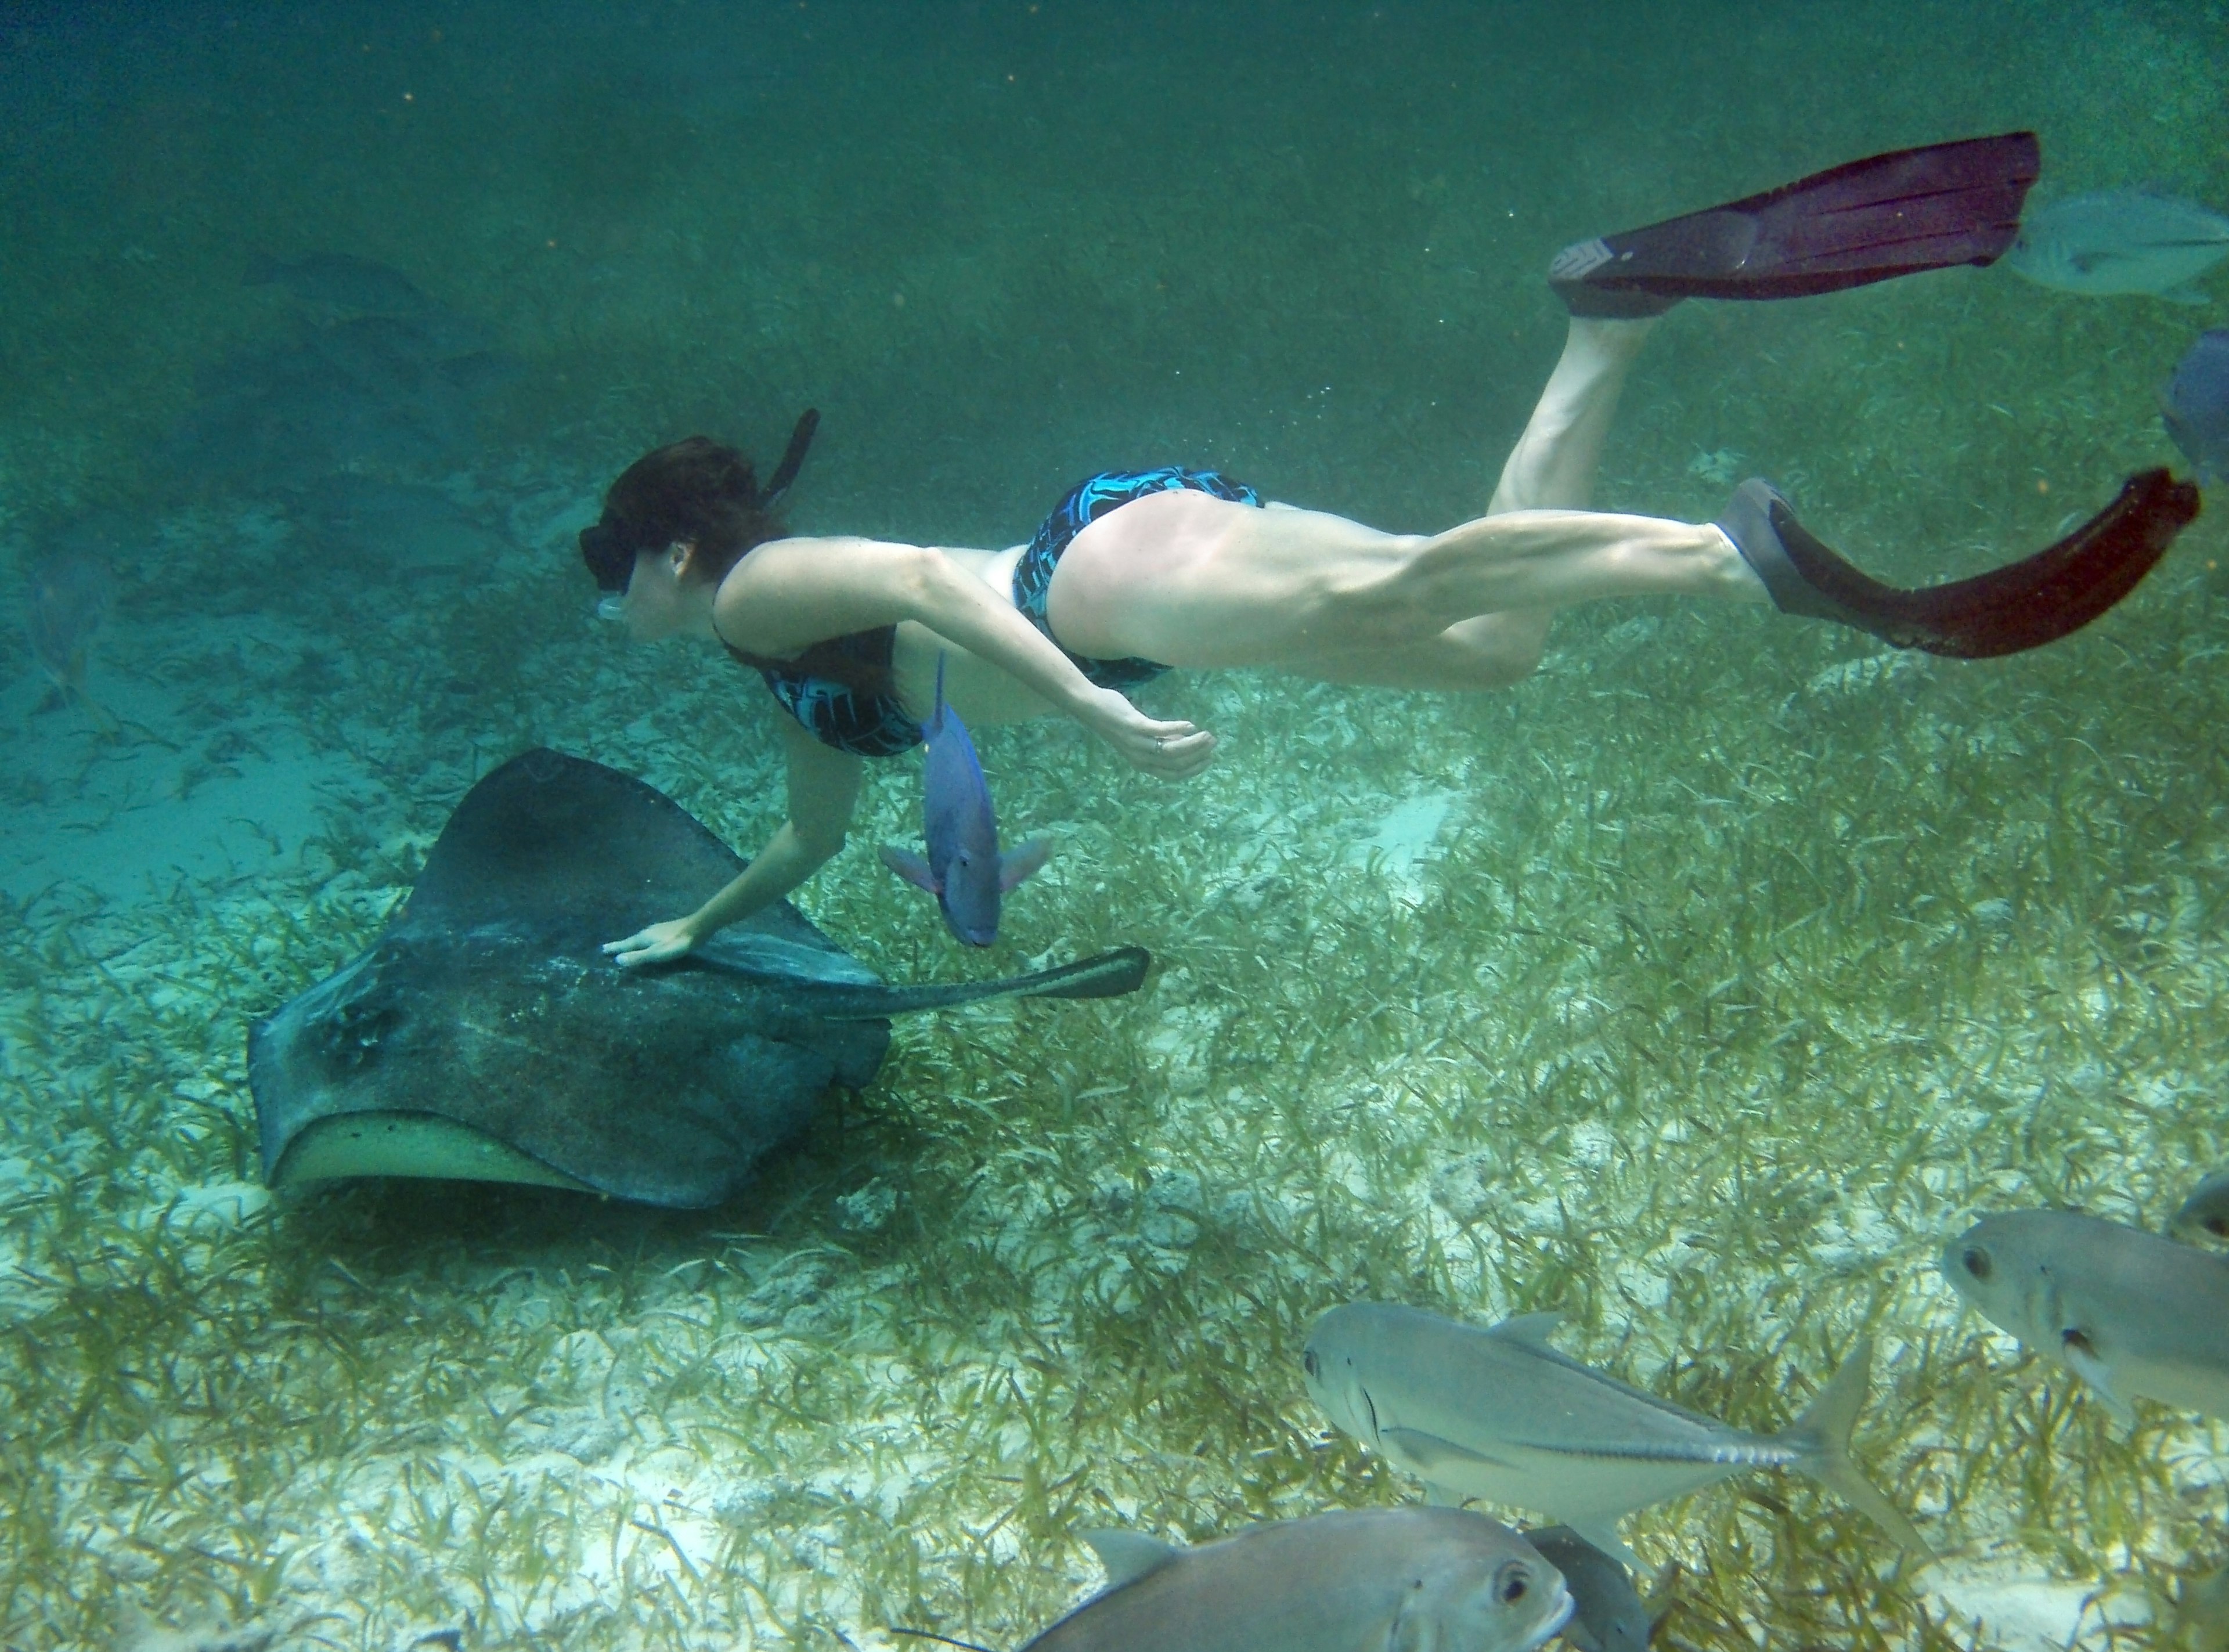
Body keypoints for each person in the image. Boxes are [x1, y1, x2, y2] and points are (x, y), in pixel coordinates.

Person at [579, 131, 2197, 968]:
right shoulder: (778, 682)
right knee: (1488, 646)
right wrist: (694, 929)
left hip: (1089, 588)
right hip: (1120, 599)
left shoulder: (754, 599)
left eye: (612, 571)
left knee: (1397, 584)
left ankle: (1730, 558)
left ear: (667, 555)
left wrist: (1087, 714)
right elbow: (805, 841)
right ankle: (1610, 317)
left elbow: (937, 589)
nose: (614, 605)